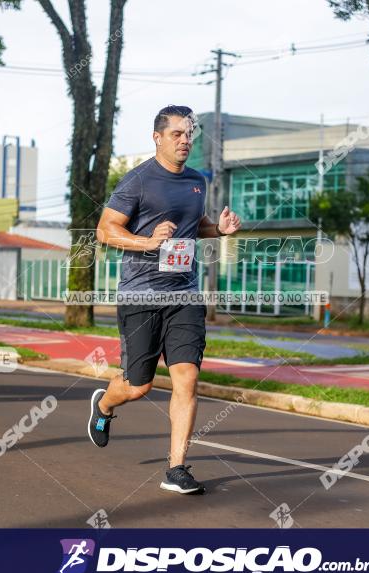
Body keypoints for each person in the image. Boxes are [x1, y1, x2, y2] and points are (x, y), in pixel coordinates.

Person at [88, 105, 241, 495]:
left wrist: (218, 231)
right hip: (141, 293)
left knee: (186, 379)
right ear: (157, 137)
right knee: (138, 386)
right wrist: (147, 242)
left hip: (185, 294)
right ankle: (105, 405)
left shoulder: (196, 180)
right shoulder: (137, 180)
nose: (185, 140)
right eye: (177, 134)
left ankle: (176, 468)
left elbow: (195, 226)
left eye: (190, 134)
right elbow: (105, 231)